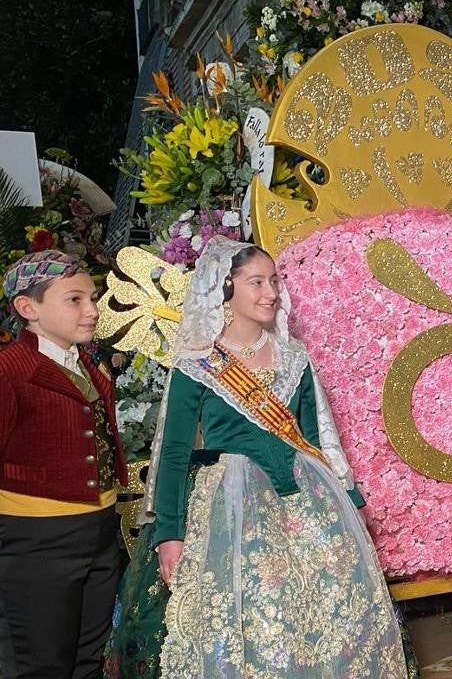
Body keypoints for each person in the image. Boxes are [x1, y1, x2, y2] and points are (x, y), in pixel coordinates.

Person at [116, 237, 406, 677]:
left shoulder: (294, 359)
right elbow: (173, 453)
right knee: (257, 616)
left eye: (274, 281)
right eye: (257, 282)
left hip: (309, 497)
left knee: (329, 608)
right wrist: (169, 534)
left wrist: (353, 501)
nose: (271, 291)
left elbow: (319, 438)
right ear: (226, 289)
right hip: (234, 506)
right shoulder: (197, 365)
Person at [0, 250, 127, 678]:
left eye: (92, 298)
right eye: (75, 299)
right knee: (42, 665)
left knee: (88, 660)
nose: (92, 310)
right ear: (27, 308)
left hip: (99, 530)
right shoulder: (9, 370)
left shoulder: (86, 364)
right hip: (38, 538)